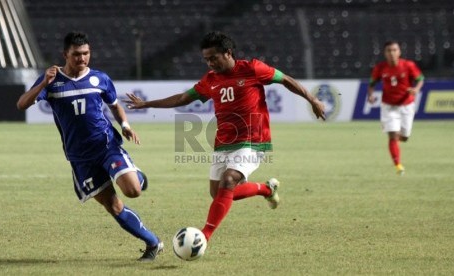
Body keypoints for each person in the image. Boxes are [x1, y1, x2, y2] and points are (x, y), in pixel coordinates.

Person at [124, 31, 325, 244]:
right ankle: (266, 189)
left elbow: (284, 79)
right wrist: (147, 104)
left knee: (228, 181)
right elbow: (183, 98)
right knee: (218, 193)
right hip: (224, 143)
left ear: (228, 53)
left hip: (253, 140)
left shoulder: (252, 69)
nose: (210, 63)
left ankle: (203, 237)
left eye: (213, 58)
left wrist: (312, 100)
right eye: (206, 59)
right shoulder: (210, 80)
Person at [16, 32, 163, 261]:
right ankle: (152, 242)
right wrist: (44, 82)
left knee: (133, 190)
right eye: (76, 54)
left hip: (106, 146)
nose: (82, 58)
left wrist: (124, 125)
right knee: (113, 206)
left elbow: (114, 105)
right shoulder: (52, 80)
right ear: (66, 54)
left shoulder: (99, 79)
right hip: (79, 158)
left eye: (86, 53)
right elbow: (22, 104)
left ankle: (138, 177)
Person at [367, 41, 424, 175]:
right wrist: (370, 96)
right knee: (392, 135)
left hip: (406, 105)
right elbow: (371, 84)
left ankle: (398, 137)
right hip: (388, 106)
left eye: (394, 50)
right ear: (384, 53)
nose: (391, 53)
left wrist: (415, 89)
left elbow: (420, 78)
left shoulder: (408, 65)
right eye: (388, 50)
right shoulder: (380, 68)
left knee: (404, 137)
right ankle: (398, 166)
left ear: (399, 52)